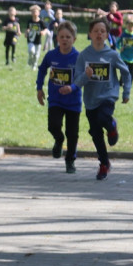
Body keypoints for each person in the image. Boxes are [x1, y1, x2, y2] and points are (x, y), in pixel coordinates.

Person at [62, 17, 130, 181]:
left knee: (103, 117)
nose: (99, 34)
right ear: (90, 34)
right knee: (95, 133)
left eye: (102, 31)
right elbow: (78, 78)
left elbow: (126, 72)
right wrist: (85, 76)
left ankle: (112, 126)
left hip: (108, 95)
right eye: (96, 31)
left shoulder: (112, 55)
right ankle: (104, 163)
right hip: (90, 99)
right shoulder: (84, 55)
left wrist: (126, 92)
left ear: (107, 35)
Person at [36, 21, 81, 173]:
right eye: (61, 36)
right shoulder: (51, 55)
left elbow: (82, 79)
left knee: (72, 133)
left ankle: (70, 161)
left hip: (73, 101)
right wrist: (39, 88)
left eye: (68, 37)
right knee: (53, 125)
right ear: (57, 38)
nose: (64, 39)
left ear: (74, 39)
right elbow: (42, 69)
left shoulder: (78, 57)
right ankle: (58, 139)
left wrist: (72, 87)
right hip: (55, 99)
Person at [118, 17, 133, 89]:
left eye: (132, 26)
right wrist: (120, 48)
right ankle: (121, 81)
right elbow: (117, 43)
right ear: (126, 26)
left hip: (132, 57)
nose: (130, 27)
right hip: (124, 56)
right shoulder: (123, 35)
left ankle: (129, 84)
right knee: (124, 70)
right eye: (129, 26)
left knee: (132, 72)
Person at [26, 4, 48, 69]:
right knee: (31, 51)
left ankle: (34, 65)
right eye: (33, 12)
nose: (34, 13)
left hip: (38, 41)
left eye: (36, 11)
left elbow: (45, 29)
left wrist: (43, 32)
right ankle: (30, 59)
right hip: (30, 40)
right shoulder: (29, 21)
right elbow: (27, 28)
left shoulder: (41, 22)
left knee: (36, 55)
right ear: (31, 13)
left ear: (39, 13)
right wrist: (26, 32)